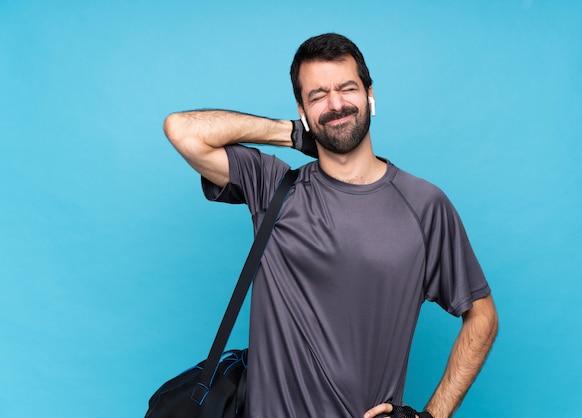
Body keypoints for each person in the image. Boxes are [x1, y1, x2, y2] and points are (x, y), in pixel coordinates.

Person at [164, 33, 498, 418]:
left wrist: (430, 416)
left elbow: (482, 316)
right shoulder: (272, 187)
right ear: (302, 109)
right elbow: (182, 130)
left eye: (347, 88)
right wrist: (289, 132)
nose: (336, 104)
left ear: (370, 95)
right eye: (318, 95)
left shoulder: (424, 206)